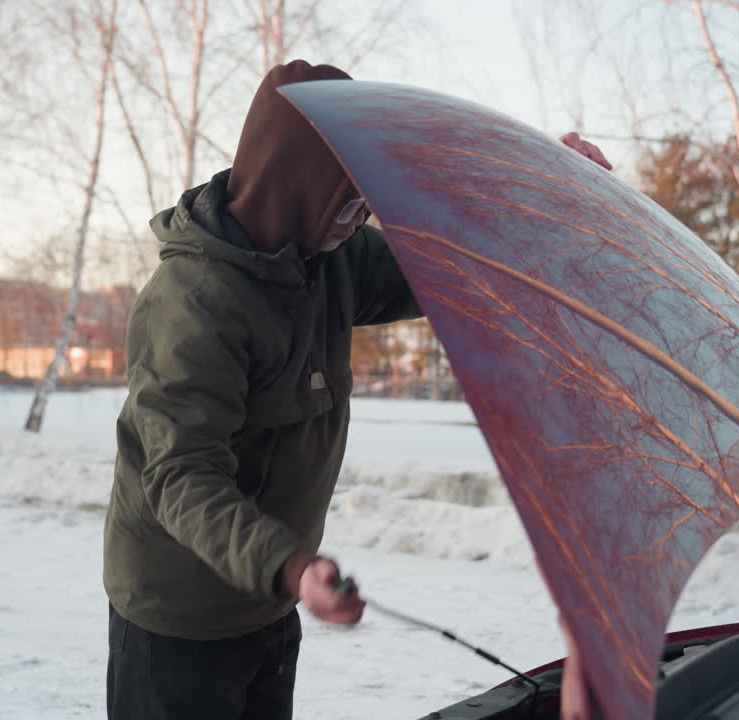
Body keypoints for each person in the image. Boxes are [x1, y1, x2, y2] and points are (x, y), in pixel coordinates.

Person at [102, 60, 611, 720]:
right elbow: (181, 477)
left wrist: (547, 185)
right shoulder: (195, 303)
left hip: (274, 591)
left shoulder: (328, 258)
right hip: (180, 614)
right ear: (297, 186)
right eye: (349, 201)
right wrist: (289, 566)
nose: (361, 217)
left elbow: (448, 257)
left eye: (366, 200)